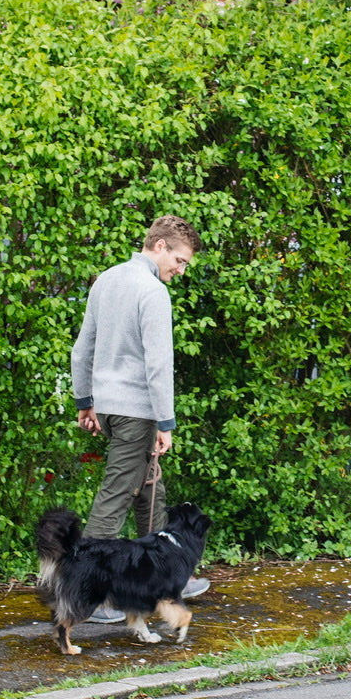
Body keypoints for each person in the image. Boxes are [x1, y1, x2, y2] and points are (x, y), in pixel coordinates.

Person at [70, 215, 209, 623]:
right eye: (180, 261)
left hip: (109, 406)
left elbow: (84, 349)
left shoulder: (108, 279)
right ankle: (89, 592)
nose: (180, 271)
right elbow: (158, 364)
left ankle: (169, 577)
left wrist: (85, 401)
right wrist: (166, 422)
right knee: (115, 495)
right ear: (161, 246)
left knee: (150, 487)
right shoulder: (151, 290)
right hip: (137, 409)